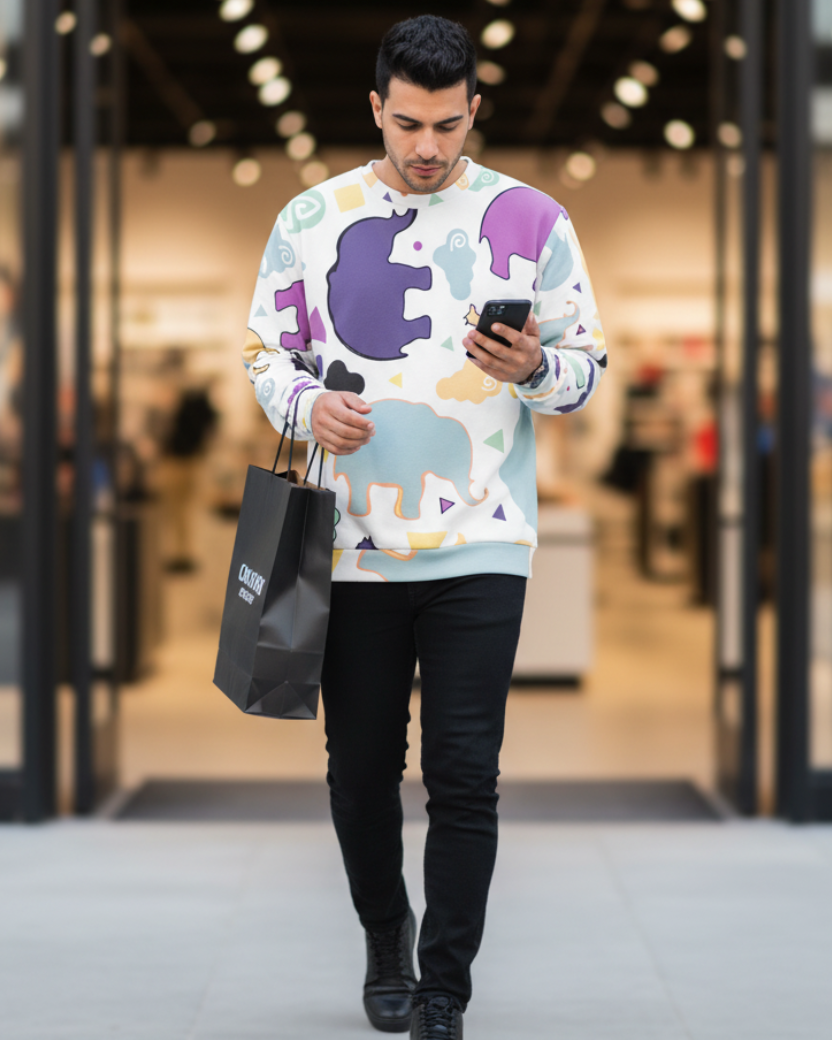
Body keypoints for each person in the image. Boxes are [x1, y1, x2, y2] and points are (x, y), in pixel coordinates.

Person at [243, 15, 606, 1038]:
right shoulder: (312, 216)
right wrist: (307, 406)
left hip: (484, 542)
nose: (428, 146)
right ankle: (383, 935)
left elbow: (584, 372)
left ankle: (444, 988)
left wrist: (534, 369)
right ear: (376, 108)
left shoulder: (533, 218)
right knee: (360, 775)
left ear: (473, 110)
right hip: (349, 546)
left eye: (448, 125)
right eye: (407, 123)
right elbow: (265, 354)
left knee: (463, 774)